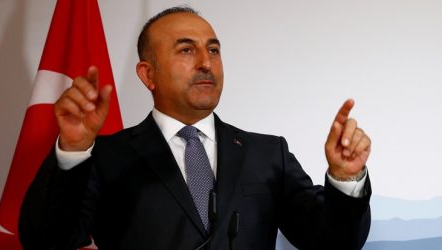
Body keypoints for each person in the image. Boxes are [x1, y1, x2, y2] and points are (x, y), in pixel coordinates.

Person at [19, 6, 372, 250]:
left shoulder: (267, 154)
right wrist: (73, 150)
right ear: (148, 74)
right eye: (186, 50)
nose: (206, 63)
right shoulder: (108, 157)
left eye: (214, 50)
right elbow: (48, 242)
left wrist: (345, 180)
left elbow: (331, 243)